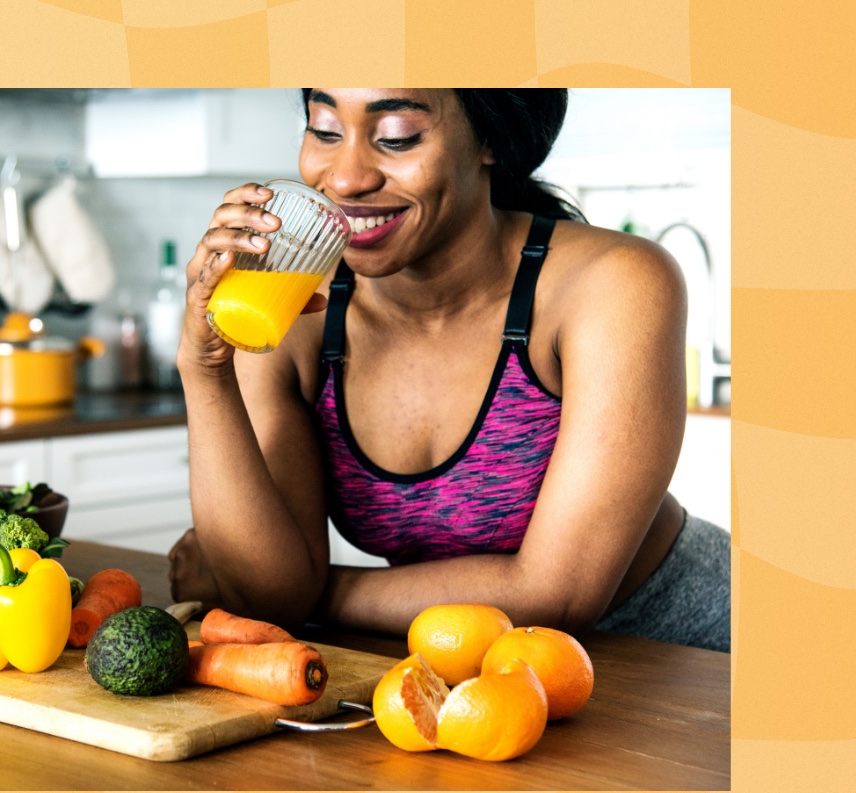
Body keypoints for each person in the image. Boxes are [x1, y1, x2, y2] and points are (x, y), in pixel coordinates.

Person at [168, 88, 730, 653]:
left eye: (396, 137)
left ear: (490, 138)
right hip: (469, 667)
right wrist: (205, 369)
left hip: (683, 649)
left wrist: (315, 595)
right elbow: (270, 595)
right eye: (325, 130)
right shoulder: (297, 306)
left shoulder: (615, 282)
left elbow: (555, 597)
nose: (345, 178)